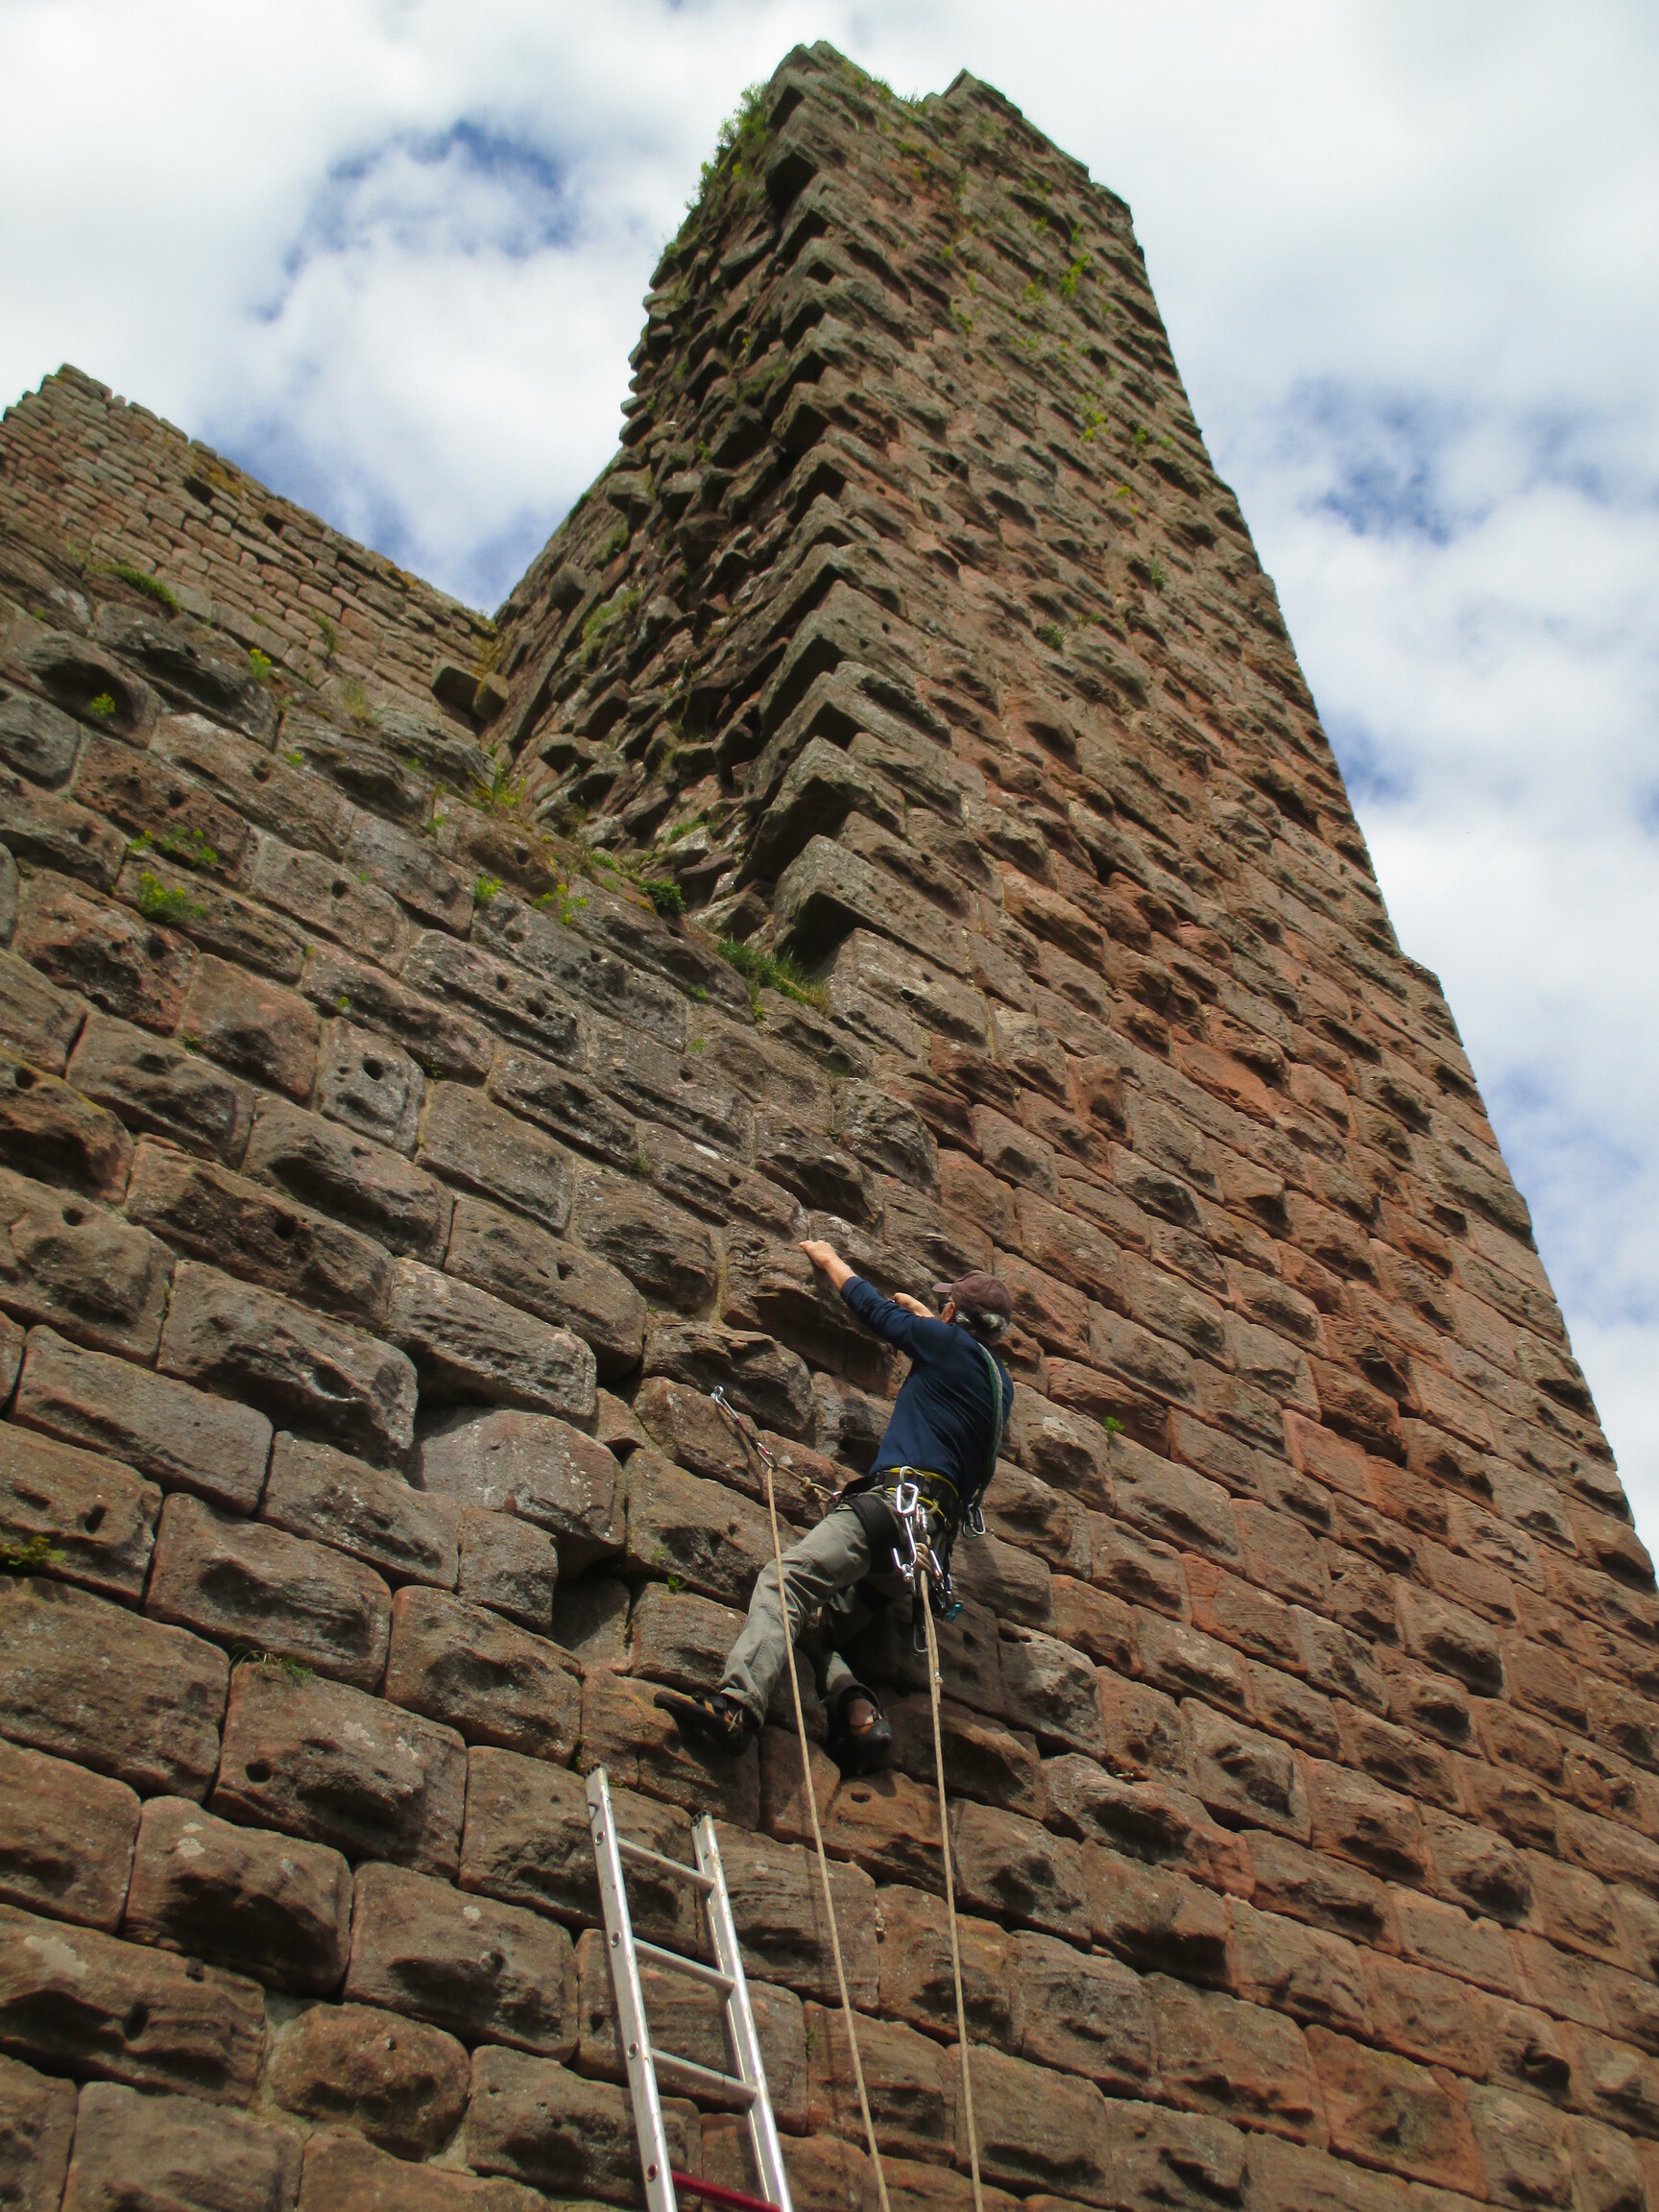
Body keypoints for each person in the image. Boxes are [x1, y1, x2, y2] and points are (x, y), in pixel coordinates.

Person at [655, 1240, 1015, 1772]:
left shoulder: (944, 1344)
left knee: (786, 1583)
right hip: (921, 1552)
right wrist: (931, 1318)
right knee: (815, 1628)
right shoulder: (1000, 1384)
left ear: (953, 1314)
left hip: (888, 1510)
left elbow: (874, 1310)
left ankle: (736, 1707)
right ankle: (859, 1712)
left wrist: (827, 1260)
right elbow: (954, 1357)